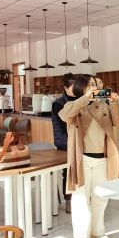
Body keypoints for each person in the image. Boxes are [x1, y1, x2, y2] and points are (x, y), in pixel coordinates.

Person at [59, 74, 119, 238]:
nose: (94, 87)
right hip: (83, 160)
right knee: (81, 199)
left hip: (102, 158)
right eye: (89, 85)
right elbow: (64, 115)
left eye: (95, 84)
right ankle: (81, 237)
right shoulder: (73, 105)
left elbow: (118, 121)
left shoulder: (104, 105)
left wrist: (115, 102)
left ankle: (98, 232)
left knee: (101, 198)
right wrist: (85, 98)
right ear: (81, 87)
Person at [51, 73, 75, 213]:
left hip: (77, 141)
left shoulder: (79, 100)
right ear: (65, 88)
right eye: (72, 86)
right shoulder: (58, 103)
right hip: (65, 143)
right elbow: (65, 125)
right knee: (68, 172)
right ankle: (69, 200)